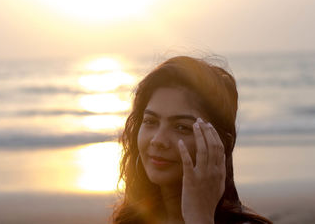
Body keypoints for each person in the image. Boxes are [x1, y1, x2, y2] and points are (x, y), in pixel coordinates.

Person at [112, 56, 272, 224]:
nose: (158, 140)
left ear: (216, 142)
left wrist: (200, 218)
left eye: (182, 127)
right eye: (150, 121)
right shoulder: (128, 220)